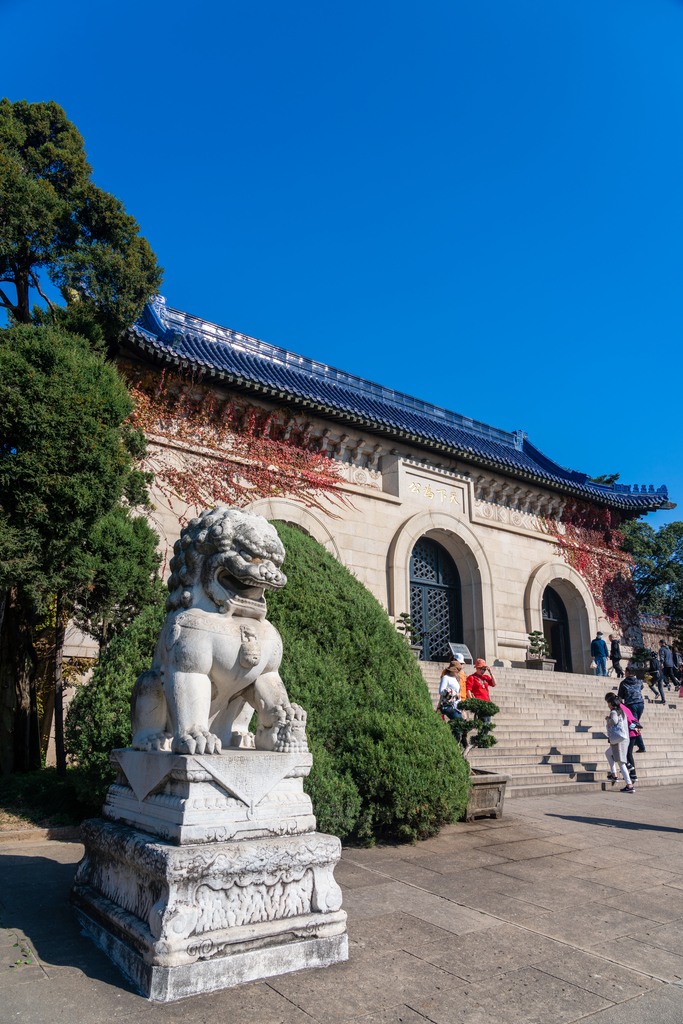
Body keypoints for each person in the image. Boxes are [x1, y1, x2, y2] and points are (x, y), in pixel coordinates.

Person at [604, 692, 634, 792]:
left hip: (619, 740)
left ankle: (629, 785)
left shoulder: (614, 712)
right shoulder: (622, 711)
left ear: (611, 704)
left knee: (621, 763)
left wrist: (608, 719)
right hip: (624, 739)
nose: (608, 705)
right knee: (608, 753)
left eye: (608, 704)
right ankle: (614, 774)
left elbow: (614, 721)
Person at [621, 702, 643, 783]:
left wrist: (633, 727)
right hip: (633, 733)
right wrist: (637, 726)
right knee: (629, 754)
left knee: (627, 754)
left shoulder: (620, 708)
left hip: (630, 733)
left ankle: (631, 771)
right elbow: (634, 718)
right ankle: (633, 774)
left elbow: (629, 720)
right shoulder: (626, 707)